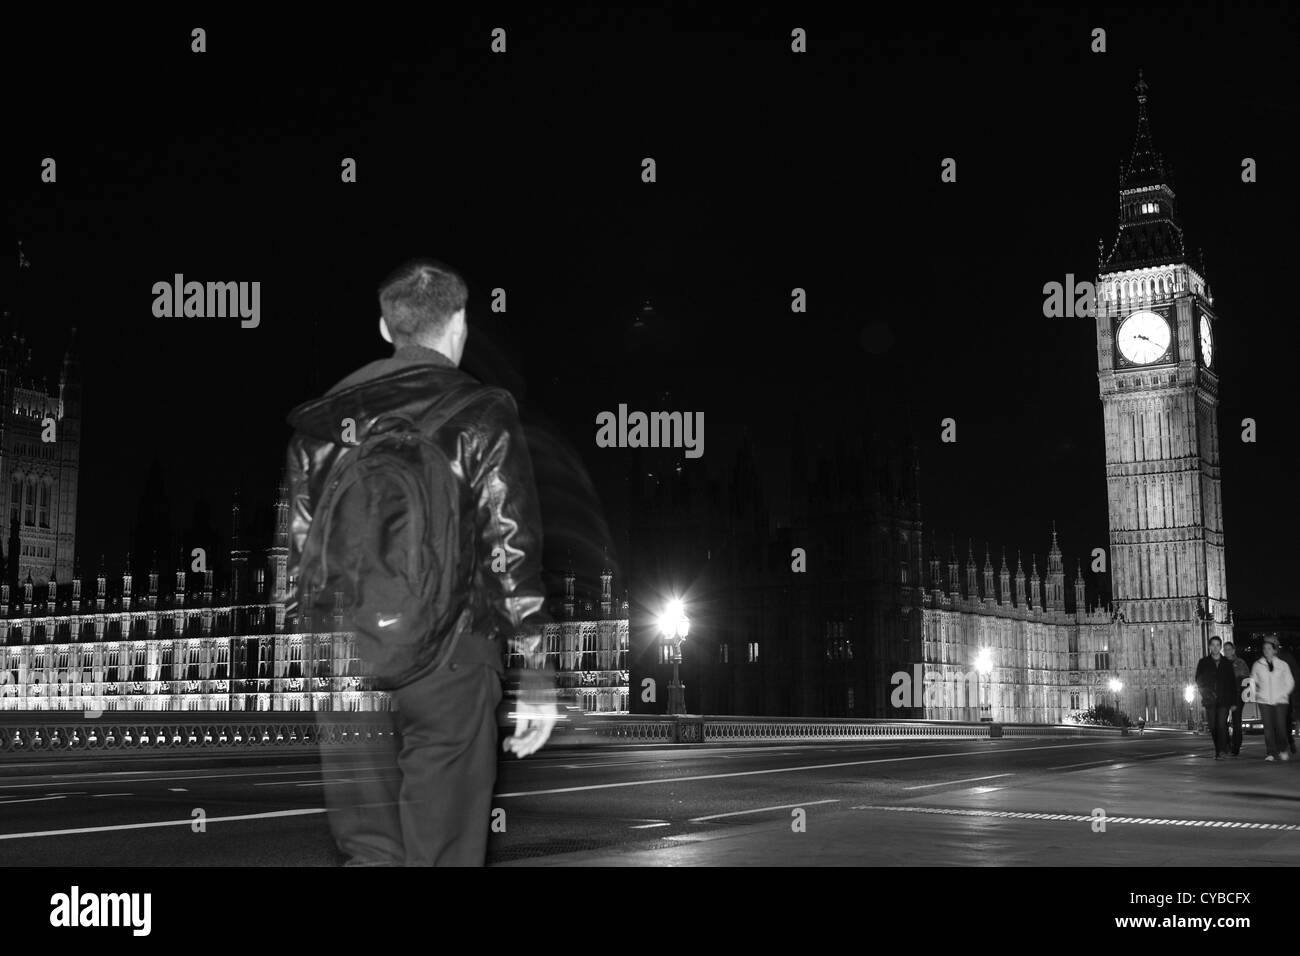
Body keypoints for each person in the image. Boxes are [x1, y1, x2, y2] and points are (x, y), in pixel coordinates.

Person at [284, 258, 556, 866]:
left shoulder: (322, 426)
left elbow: (303, 555)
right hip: (452, 660)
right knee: (443, 853)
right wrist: (535, 672)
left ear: (386, 329)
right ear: (459, 323)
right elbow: (511, 546)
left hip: (349, 667)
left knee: (372, 855)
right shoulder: (482, 412)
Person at [1251, 635, 1295, 762]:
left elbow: (1290, 682)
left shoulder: (1283, 665)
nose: (1266, 651)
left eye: (1269, 648)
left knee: (1280, 727)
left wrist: (1284, 694)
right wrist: (1256, 695)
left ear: (1275, 650)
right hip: (1264, 701)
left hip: (1280, 701)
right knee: (1268, 728)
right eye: (1264, 648)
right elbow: (1253, 681)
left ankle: (1282, 749)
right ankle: (1271, 752)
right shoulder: (1257, 665)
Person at [1195, 636, 1235, 760]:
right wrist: (1205, 694)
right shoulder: (1203, 662)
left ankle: (1220, 751)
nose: (1215, 647)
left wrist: (1233, 702)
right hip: (1209, 699)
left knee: (1221, 725)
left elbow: (1231, 683)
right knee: (1213, 726)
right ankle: (1221, 748)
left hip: (1223, 700)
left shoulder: (1227, 663)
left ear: (1220, 647)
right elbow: (1199, 680)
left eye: (1218, 645)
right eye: (1213, 645)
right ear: (1209, 647)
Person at [1224, 641, 1251, 757]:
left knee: (1236, 721)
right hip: (1224, 696)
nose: (1227, 651)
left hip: (1237, 695)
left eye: (1229, 649)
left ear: (1233, 650)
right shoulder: (1221, 663)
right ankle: (1226, 745)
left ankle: (1236, 747)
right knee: (1222, 722)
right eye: (1225, 649)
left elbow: (1245, 680)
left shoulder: (1240, 663)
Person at [1276, 642, 1299, 755]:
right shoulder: (1264, 657)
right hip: (1272, 696)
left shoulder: (1286, 657)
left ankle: (1289, 742)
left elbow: (1295, 675)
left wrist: (1290, 691)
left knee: (1286, 720)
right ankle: (1279, 745)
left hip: (1285, 695)